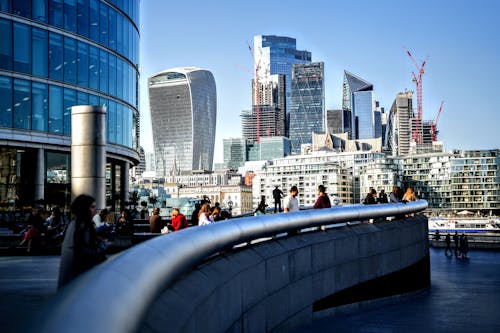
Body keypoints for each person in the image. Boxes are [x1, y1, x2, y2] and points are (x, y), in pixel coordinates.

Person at [58, 194, 107, 288]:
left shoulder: (73, 224)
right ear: (84, 209)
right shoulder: (82, 227)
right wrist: (103, 246)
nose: (95, 210)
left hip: (69, 282)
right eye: (92, 207)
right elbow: (86, 252)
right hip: (77, 282)